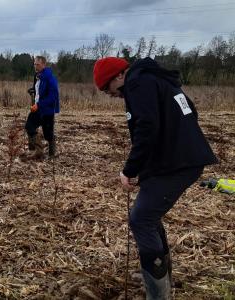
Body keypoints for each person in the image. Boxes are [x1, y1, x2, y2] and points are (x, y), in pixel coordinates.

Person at [93, 57, 217, 299]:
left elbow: (147, 127)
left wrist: (130, 169)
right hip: (180, 160)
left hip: (180, 163)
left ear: (119, 76)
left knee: (141, 219)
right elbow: (191, 110)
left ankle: (158, 293)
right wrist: (151, 165)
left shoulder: (138, 83)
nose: (109, 94)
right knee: (148, 215)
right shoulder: (157, 80)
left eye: (106, 88)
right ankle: (160, 274)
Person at [25, 56, 60, 158]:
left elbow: (53, 97)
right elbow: (39, 90)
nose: (35, 66)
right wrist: (32, 90)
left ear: (44, 65)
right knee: (29, 127)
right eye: (34, 64)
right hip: (37, 108)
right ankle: (36, 151)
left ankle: (52, 154)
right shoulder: (37, 76)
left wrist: (39, 105)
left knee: (48, 135)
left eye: (38, 64)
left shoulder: (50, 78)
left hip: (47, 110)